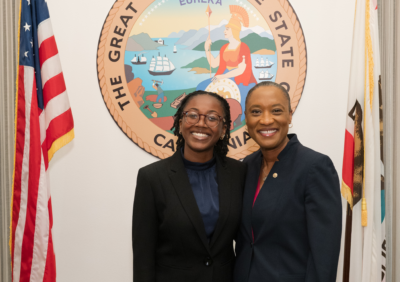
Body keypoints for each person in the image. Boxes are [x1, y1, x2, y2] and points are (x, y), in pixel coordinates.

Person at [132, 90, 247, 282]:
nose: (201, 123)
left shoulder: (240, 173)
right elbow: (143, 255)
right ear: (180, 122)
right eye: (192, 115)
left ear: (224, 129)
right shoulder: (152, 177)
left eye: (212, 117)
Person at [234, 82, 342, 282]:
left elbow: (324, 255)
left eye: (276, 110)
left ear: (290, 115)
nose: (266, 120)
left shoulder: (315, 167)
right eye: (256, 112)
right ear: (245, 119)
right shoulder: (247, 165)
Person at [197, 5, 257, 120]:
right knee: (201, 86)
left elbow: (241, 69)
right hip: (223, 74)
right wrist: (206, 49)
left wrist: (223, 76)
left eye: (227, 29)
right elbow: (214, 64)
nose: (224, 31)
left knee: (242, 97)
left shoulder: (243, 47)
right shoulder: (224, 47)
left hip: (238, 77)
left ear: (234, 30)